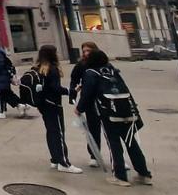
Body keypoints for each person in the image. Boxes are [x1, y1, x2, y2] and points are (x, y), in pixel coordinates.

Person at [76, 50, 153, 187]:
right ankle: (144, 174)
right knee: (131, 142)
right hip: (126, 110)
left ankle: (120, 176)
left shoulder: (91, 73)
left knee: (114, 144)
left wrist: (79, 108)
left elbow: (87, 94)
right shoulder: (112, 70)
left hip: (108, 113)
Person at [34, 45, 81, 173]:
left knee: (51, 132)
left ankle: (55, 159)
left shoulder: (38, 68)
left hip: (43, 104)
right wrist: (71, 91)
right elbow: (56, 88)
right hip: (53, 104)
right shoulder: (52, 69)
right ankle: (63, 162)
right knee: (58, 133)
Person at [69, 41, 103, 167]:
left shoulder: (103, 63)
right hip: (89, 100)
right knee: (93, 129)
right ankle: (94, 155)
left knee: (111, 130)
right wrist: (72, 95)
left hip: (105, 99)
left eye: (88, 50)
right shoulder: (81, 65)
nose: (86, 53)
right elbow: (74, 80)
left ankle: (117, 157)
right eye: (84, 51)